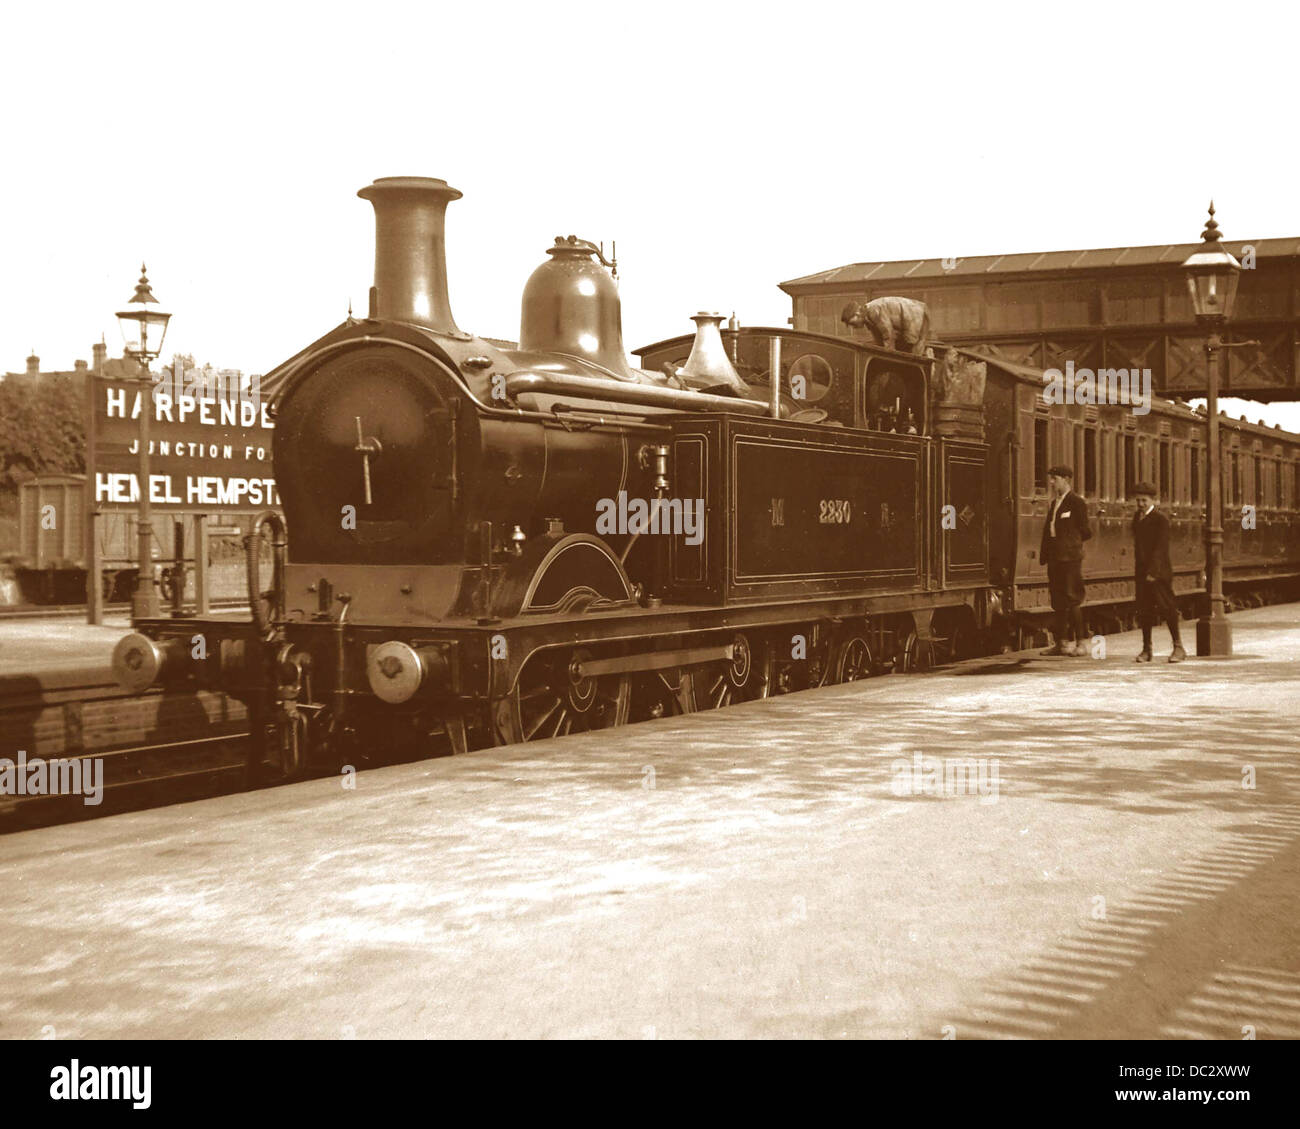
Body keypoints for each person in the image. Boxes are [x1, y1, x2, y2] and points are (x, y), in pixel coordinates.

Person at [1039, 464, 1092, 656]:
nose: (1052, 483)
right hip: (1055, 558)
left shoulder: (1076, 502)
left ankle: (1080, 643)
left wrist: (1071, 545)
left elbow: (1086, 531)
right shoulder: (1055, 503)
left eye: (1055, 479)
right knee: (1058, 600)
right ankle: (1060, 643)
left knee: (1073, 598)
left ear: (1066, 479)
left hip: (1069, 558)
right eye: (1051, 479)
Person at [1131, 481, 1185, 663]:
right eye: (1138, 500)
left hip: (1158, 572)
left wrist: (1153, 571)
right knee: (1144, 611)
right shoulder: (1137, 518)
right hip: (1142, 572)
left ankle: (1178, 647)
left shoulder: (1160, 519)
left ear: (1153, 500)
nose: (1140, 504)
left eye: (1144, 501)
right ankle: (1146, 649)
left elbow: (1160, 548)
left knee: (1167, 608)